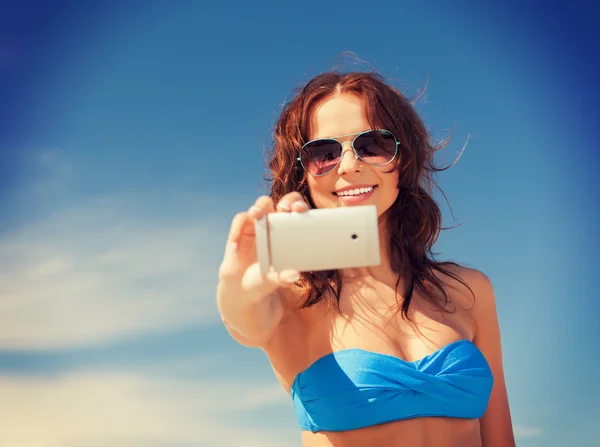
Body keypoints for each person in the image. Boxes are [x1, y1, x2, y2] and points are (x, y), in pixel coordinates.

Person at [216, 70, 515, 447]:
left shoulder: (469, 291)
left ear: (402, 159)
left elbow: (500, 436)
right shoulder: (290, 296)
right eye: (323, 154)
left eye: (372, 144)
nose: (347, 166)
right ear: (303, 174)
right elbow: (244, 320)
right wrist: (236, 286)